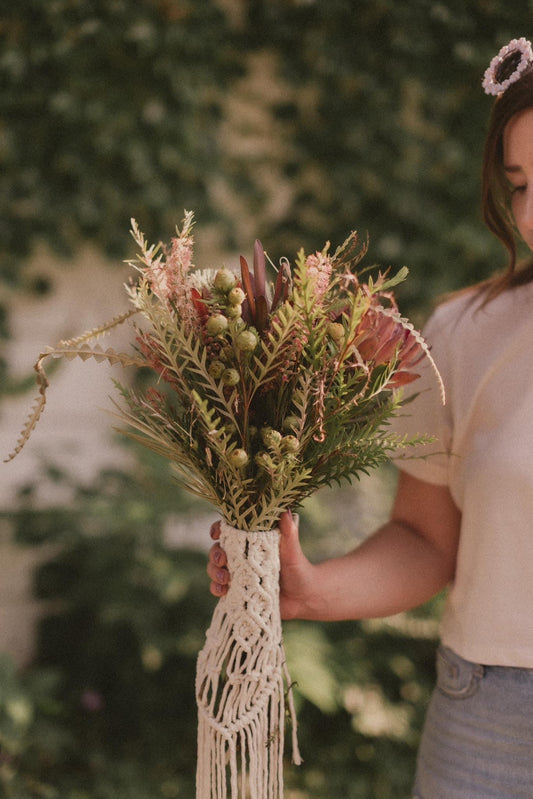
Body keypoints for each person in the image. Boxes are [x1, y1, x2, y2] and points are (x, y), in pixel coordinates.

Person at [207, 37, 533, 798]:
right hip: (491, 721)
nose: (528, 212)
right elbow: (425, 540)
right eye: (517, 183)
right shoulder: (465, 332)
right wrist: (307, 588)